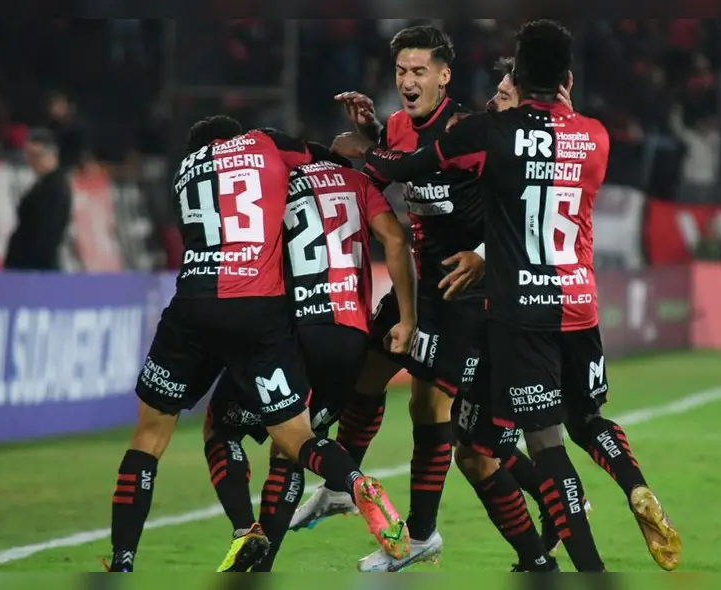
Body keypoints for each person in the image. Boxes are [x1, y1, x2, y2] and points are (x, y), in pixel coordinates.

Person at [332, 20, 683, 573]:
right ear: (566, 80)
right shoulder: (595, 136)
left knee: (534, 446)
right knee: (569, 423)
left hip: (517, 312)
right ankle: (626, 489)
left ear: (517, 75)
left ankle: (583, 564)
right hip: (579, 305)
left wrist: (360, 150)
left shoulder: (491, 134)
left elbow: (411, 167)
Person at [106, 116, 409, 572]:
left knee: (159, 435)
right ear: (238, 137)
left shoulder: (185, 171)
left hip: (195, 303)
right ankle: (352, 479)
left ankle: (128, 561)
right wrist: (353, 150)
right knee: (296, 439)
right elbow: (317, 157)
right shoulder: (267, 147)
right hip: (270, 314)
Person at [288, 25, 490, 573]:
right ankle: (340, 484)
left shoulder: (468, 130)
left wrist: (484, 251)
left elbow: (515, 203)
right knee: (368, 374)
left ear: (444, 76)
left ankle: (421, 534)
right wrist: (375, 132)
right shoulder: (398, 127)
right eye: (401, 71)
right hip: (422, 286)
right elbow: (398, 159)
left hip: (465, 293)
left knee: (428, 406)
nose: (408, 80)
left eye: (419, 71)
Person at [202, 158, 418, 571]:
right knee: (295, 447)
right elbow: (394, 239)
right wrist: (407, 317)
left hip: (295, 329)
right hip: (350, 335)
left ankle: (250, 540)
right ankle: (354, 482)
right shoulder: (358, 181)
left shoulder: (282, 181)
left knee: (222, 425)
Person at [3, 129, 72, 271]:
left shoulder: (55, 187)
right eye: (28, 156)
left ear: (51, 155)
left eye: (36, 156)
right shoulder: (44, 184)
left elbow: (47, 233)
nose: (31, 161)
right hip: (28, 263)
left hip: (36, 266)